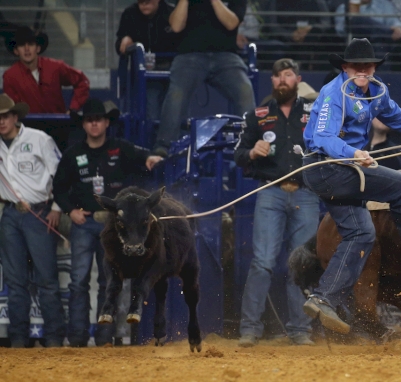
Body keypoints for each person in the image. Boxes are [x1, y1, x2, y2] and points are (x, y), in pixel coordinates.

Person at [300, 38, 401, 333]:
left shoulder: (376, 91)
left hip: (344, 169)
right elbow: (324, 138)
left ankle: (324, 297)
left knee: (362, 233)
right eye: (356, 67)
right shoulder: (332, 94)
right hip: (327, 168)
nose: (363, 71)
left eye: (368, 66)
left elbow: (392, 113)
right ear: (345, 68)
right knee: (400, 184)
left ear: (374, 68)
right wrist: (353, 153)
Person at [52, 98, 162, 347]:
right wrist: (71, 211)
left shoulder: (120, 148)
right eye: (89, 120)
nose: (94, 124)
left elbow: (147, 158)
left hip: (113, 227)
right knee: (78, 280)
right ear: (84, 124)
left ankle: (104, 339)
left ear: (106, 123)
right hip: (84, 222)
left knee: (109, 280)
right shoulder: (73, 154)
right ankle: (78, 338)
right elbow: (58, 189)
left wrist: (154, 158)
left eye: (98, 119)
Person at [233, 58, 319, 347]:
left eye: (288, 75)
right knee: (263, 262)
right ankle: (249, 329)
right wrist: (252, 153)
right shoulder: (255, 116)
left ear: (297, 79)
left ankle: (300, 330)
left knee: (301, 263)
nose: (282, 80)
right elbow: (239, 154)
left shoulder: (315, 111)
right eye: (278, 76)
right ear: (271, 81)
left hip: (306, 192)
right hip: (270, 191)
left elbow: (330, 145)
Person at [0, 93, 66, 348]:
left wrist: (58, 208)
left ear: (15, 117)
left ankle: (54, 338)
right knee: (15, 281)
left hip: (39, 212)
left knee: (46, 279)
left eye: (5, 116)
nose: (2, 122)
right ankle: (18, 338)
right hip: (10, 214)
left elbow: (60, 174)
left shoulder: (39, 139)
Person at [152, 0, 255, 157]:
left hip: (226, 56)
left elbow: (231, 23)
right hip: (189, 55)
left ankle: (250, 146)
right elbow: (176, 26)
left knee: (245, 89)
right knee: (176, 94)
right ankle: (164, 146)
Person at [2, 26, 90, 150]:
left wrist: (73, 108)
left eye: (31, 44)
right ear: (16, 50)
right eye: (22, 45)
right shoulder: (10, 76)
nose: (27, 49)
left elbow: (82, 81)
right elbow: (13, 109)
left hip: (58, 131)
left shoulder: (55, 67)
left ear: (38, 48)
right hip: (28, 133)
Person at [115, 0, 179, 122]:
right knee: (151, 111)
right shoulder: (130, 14)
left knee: (175, 108)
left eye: (148, 1)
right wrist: (125, 40)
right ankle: (153, 139)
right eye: (141, 2)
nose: (144, 4)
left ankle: (173, 139)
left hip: (173, 71)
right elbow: (119, 46)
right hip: (145, 74)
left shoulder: (172, 13)